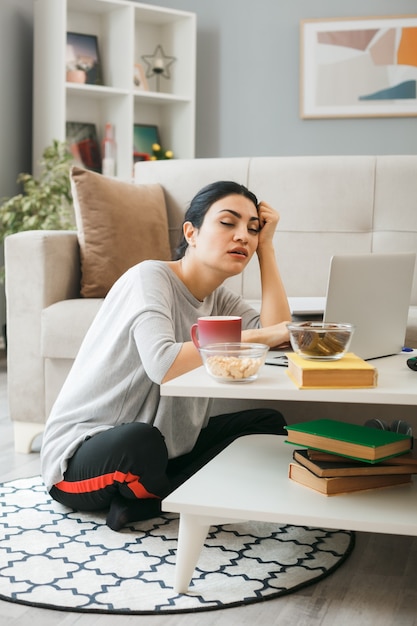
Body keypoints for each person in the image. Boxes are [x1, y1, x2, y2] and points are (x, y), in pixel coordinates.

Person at [41, 181, 292, 531]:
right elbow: (164, 364)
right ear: (191, 232)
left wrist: (268, 248)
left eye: (252, 228)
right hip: (85, 455)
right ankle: (169, 494)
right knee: (140, 442)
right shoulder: (149, 277)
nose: (243, 236)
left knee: (267, 424)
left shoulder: (220, 300)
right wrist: (261, 335)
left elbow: (280, 333)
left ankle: (149, 497)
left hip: (169, 448)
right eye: (228, 223)